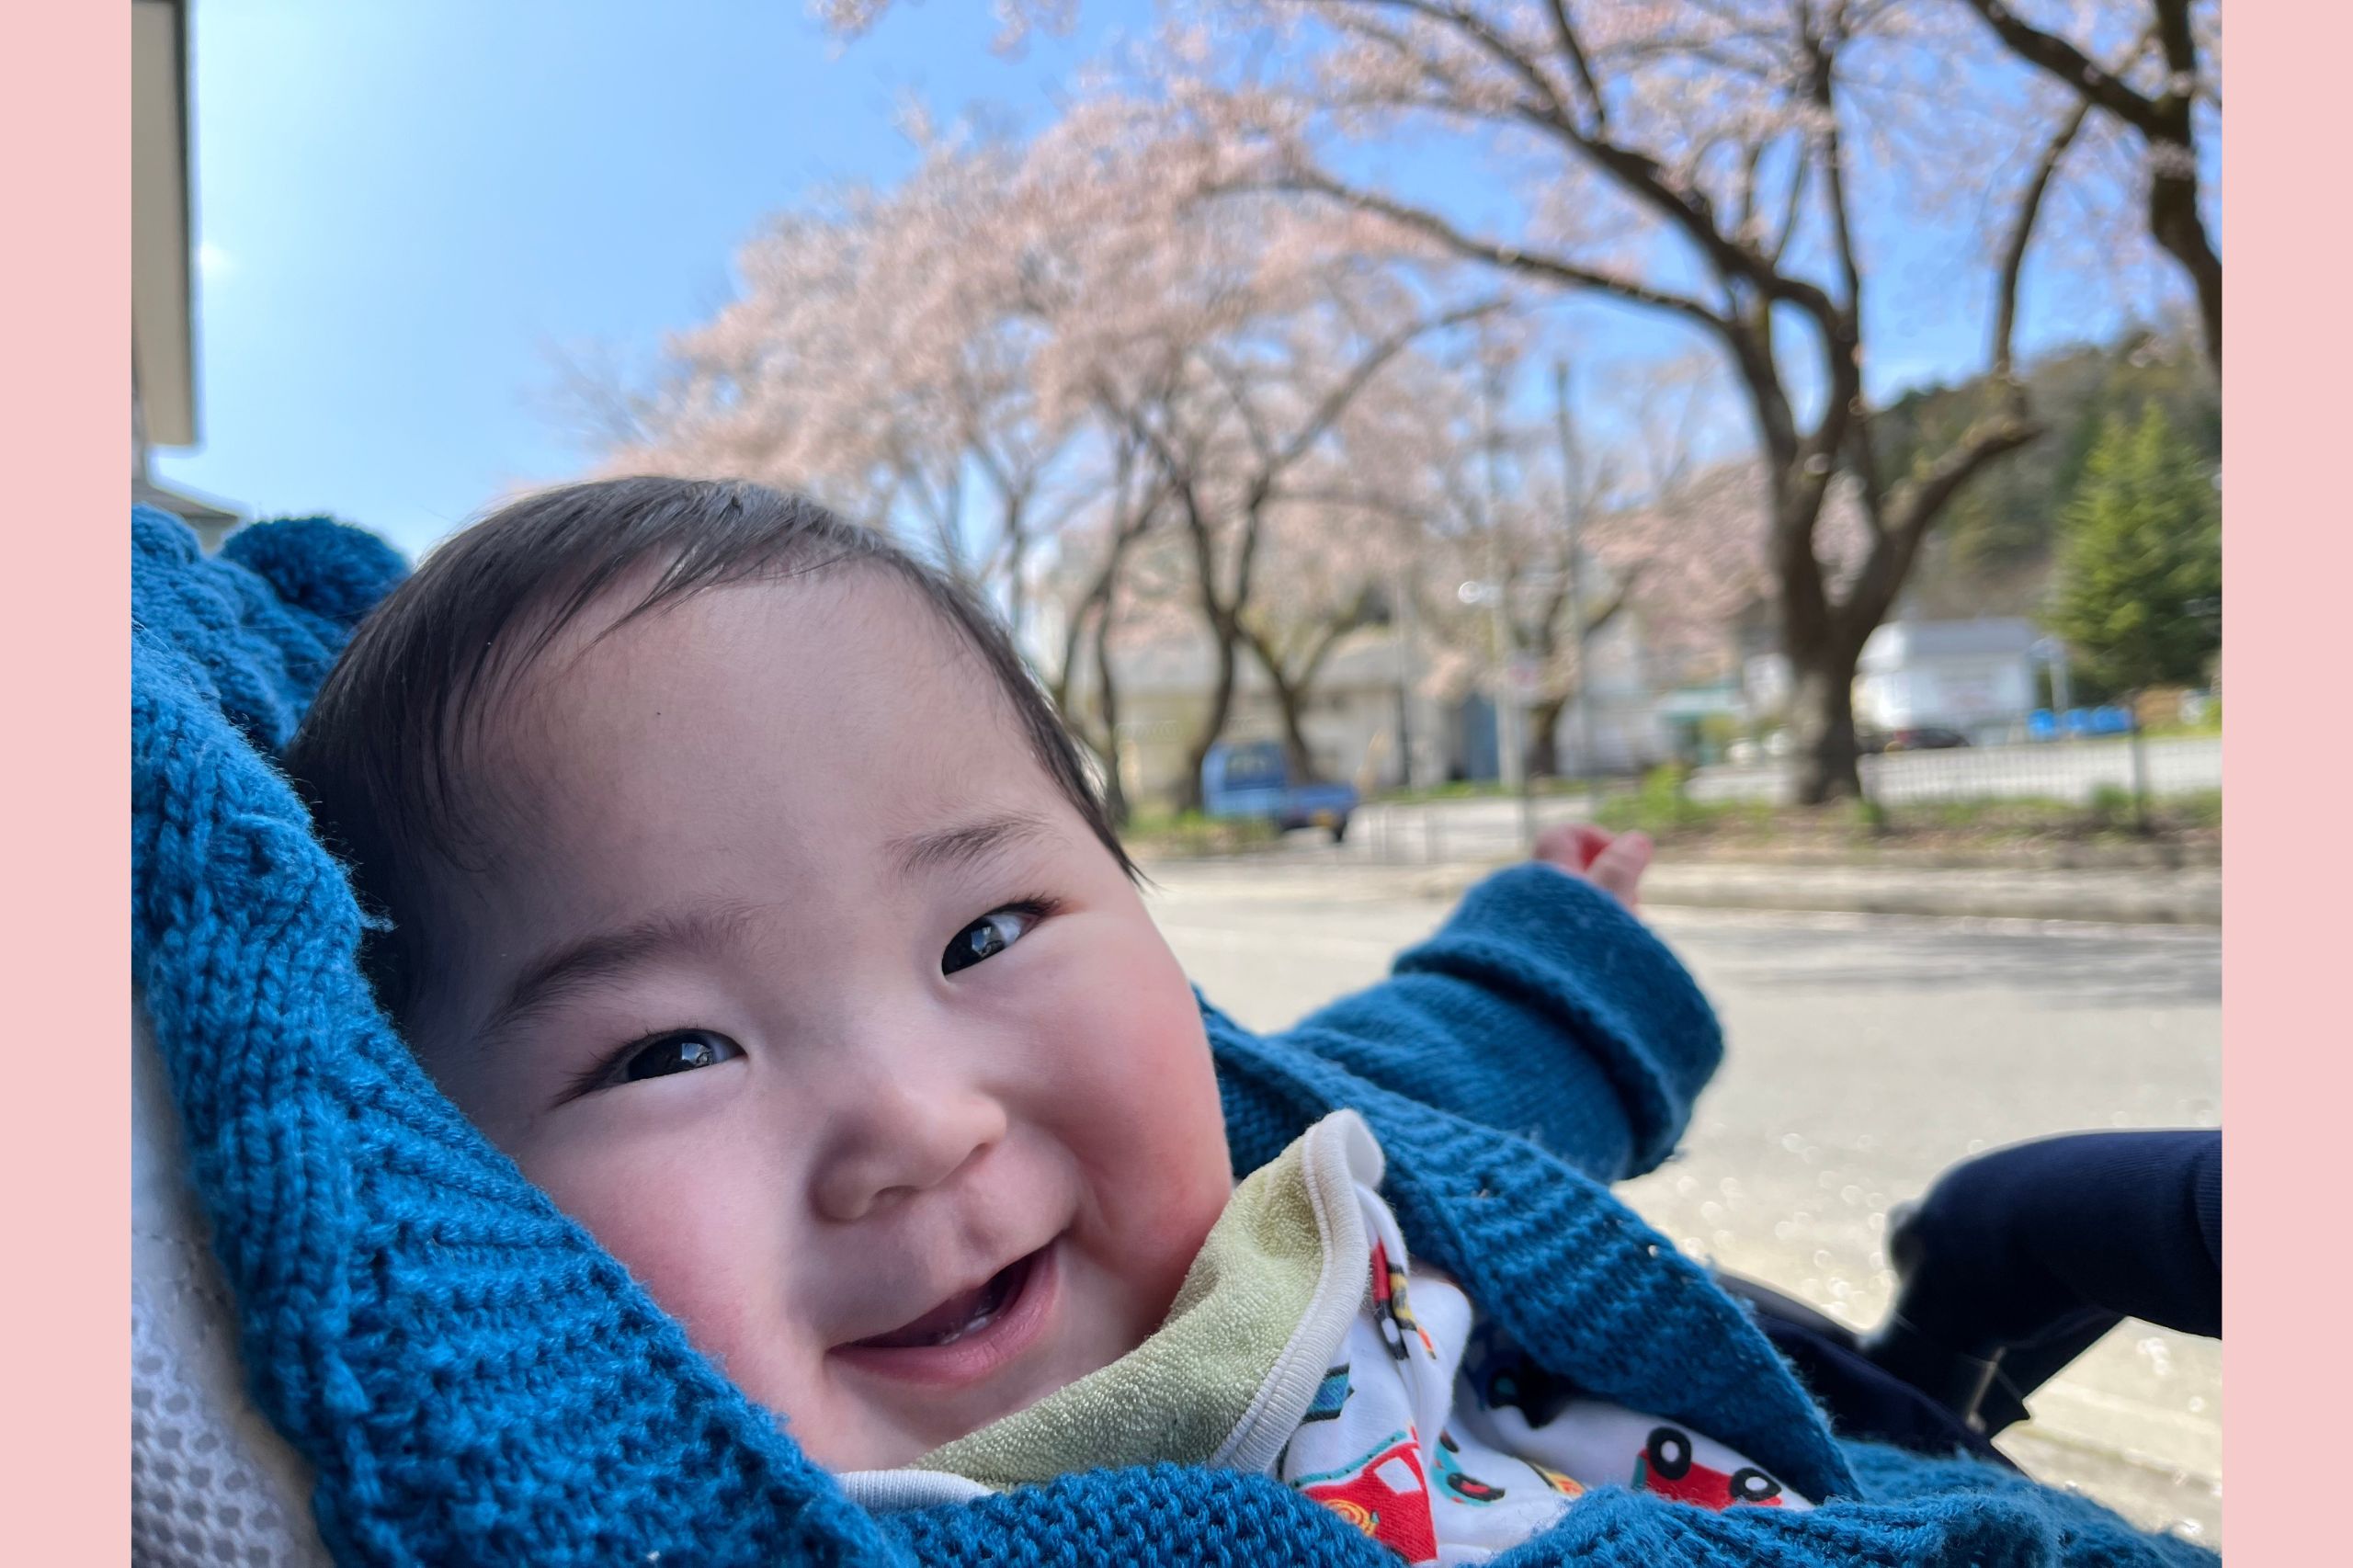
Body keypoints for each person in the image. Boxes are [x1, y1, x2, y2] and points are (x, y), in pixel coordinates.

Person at [264, 478, 2210, 1563]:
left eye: (989, 926)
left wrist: (1552, 928)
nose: (920, 1121)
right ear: (461, 1196)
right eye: (668, 1048)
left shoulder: (1248, 1149)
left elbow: (1434, 1068)